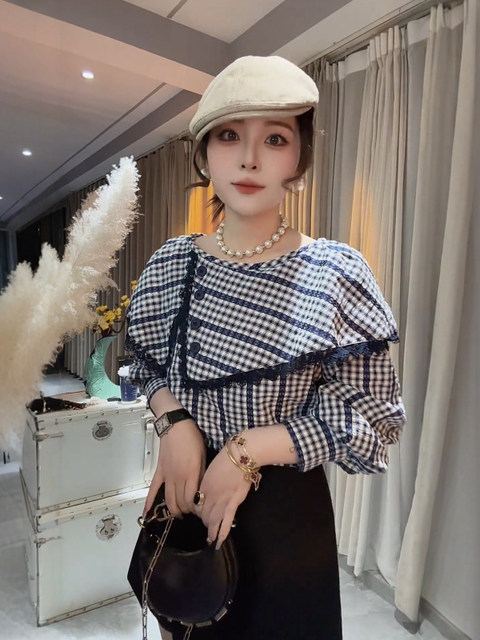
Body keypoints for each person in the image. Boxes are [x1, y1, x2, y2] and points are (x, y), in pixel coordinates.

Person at [126, 55, 405, 640]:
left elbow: (374, 424)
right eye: (229, 136)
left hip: (285, 526)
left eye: (274, 139)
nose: (249, 159)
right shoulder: (173, 264)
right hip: (186, 505)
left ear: (298, 158)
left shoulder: (334, 272)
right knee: (183, 619)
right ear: (205, 153)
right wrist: (172, 419)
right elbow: (144, 363)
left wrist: (248, 449)